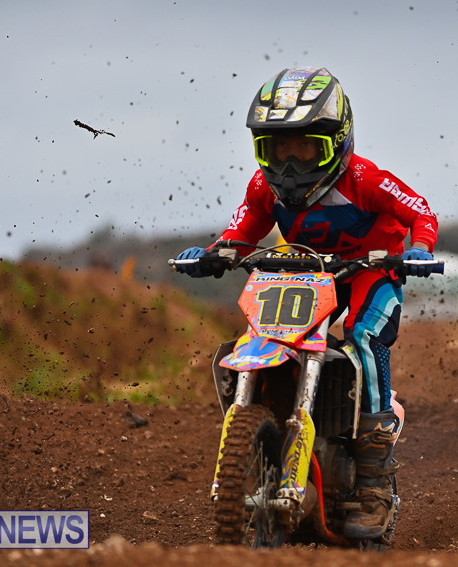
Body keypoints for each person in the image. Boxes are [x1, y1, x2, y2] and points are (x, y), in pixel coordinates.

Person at [175, 66, 438, 540]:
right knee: (264, 334)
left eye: (305, 147)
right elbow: (241, 230)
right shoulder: (263, 188)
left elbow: (419, 210)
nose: (290, 164)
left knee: (363, 336)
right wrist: (215, 253)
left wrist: (418, 250)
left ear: (337, 142)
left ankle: (375, 483)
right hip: (304, 267)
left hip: (371, 267)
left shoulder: (365, 179)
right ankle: (268, 422)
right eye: (279, 148)